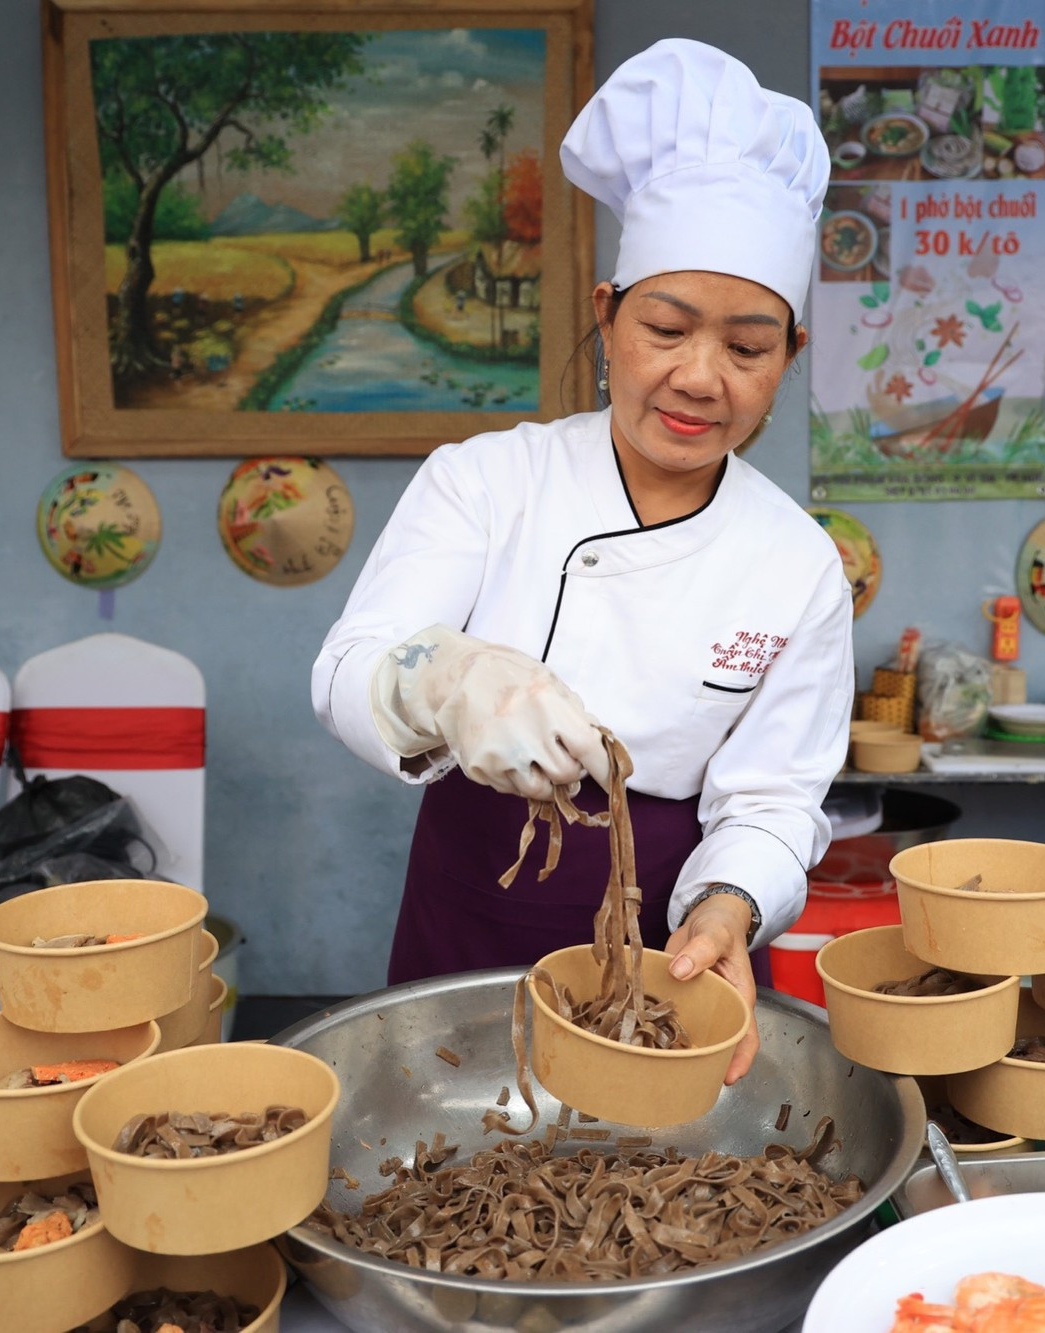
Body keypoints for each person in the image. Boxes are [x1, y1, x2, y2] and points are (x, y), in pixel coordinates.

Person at [311, 38, 851, 1086]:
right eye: (665, 327)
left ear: (788, 356)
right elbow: (345, 671)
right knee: (456, 1156)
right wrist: (447, 678)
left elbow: (775, 799)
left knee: (662, 1184)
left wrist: (728, 908)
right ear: (606, 317)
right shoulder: (486, 480)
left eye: (746, 347)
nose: (700, 377)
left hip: (671, 927)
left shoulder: (794, 562)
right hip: (475, 888)